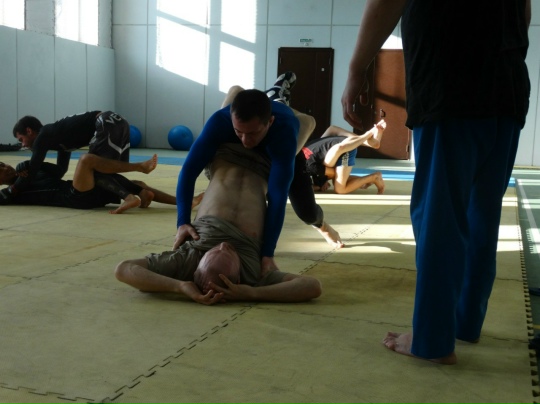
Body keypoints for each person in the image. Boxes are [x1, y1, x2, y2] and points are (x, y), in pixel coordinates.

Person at [341, 0, 531, 364]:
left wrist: (356, 69)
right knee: (481, 214)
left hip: (451, 82)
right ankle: (464, 323)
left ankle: (432, 340)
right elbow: (522, 11)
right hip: (507, 87)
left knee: (440, 218)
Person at [174, 73, 343, 277]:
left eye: (252, 134)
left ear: (269, 122)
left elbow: (277, 198)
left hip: (282, 134)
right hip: (234, 129)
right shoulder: (220, 121)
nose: (245, 141)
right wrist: (182, 222)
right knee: (229, 109)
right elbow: (188, 172)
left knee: (306, 211)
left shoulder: (283, 134)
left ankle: (322, 226)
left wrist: (267, 254)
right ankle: (247, 94)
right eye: (239, 132)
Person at [115, 144, 322, 305]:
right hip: (267, 163)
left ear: (197, 268)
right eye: (230, 250)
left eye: (214, 249)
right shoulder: (251, 276)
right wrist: (252, 293)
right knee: (305, 123)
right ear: (237, 279)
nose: (222, 244)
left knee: (235, 105)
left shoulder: (186, 261)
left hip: (226, 153)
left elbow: (124, 269)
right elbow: (311, 286)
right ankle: (321, 224)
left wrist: (180, 286)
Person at [0, 154, 201, 213]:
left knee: (136, 183)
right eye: (0, 170)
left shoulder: (29, 170)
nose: (5, 167)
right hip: (72, 198)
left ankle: (184, 202)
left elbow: (59, 170)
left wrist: (62, 148)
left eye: (2, 164)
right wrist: (23, 177)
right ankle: (138, 170)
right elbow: (8, 195)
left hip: (78, 190)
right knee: (87, 161)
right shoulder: (9, 192)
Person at [0, 111, 131, 202]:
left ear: (29, 131)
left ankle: (129, 198)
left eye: (21, 139)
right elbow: (60, 171)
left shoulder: (43, 136)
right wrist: (32, 164)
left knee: (94, 169)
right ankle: (141, 191)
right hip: (118, 121)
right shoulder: (59, 140)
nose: (23, 144)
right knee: (111, 169)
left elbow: (32, 171)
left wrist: (12, 190)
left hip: (105, 122)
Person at [302, 120, 386, 194]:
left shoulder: (310, 167)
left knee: (340, 189)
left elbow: (333, 173)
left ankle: (374, 177)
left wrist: (320, 183)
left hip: (345, 149)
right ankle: (370, 141)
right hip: (336, 143)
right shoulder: (301, 155)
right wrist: (319, 184)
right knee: (329, 168)